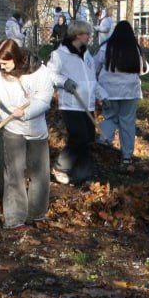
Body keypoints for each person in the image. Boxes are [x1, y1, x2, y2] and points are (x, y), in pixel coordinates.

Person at [0, 40, 54, 228]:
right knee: (13, 174)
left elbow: (45, 99)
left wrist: (26, 113)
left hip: (36, 129)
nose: (1, 67)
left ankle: (37, 214)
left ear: (16, 58)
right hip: (12, 129)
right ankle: (15, 219)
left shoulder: (38, 71)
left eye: (5, 63)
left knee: (39, 173)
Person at [47, 21, 100, 186]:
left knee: (88, 138)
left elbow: (92, 80)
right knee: (79, 137)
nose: (89, 37)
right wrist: (64, 82)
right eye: (87, 34)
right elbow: (49, 74)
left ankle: (81, 175)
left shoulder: (87, 55)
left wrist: (102, 96)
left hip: (87, 104)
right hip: (71, 104)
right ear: (77, 35)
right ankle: (60, 167)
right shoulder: (60, 54)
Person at [94, 20, 149, 170]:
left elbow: (94, 67)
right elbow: (143, 69)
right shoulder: (135, 49)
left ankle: (103, 141)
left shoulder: (105, 48)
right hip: (130, 92)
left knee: (110, 118)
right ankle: (126, 157)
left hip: (108, 92)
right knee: (127, 123)